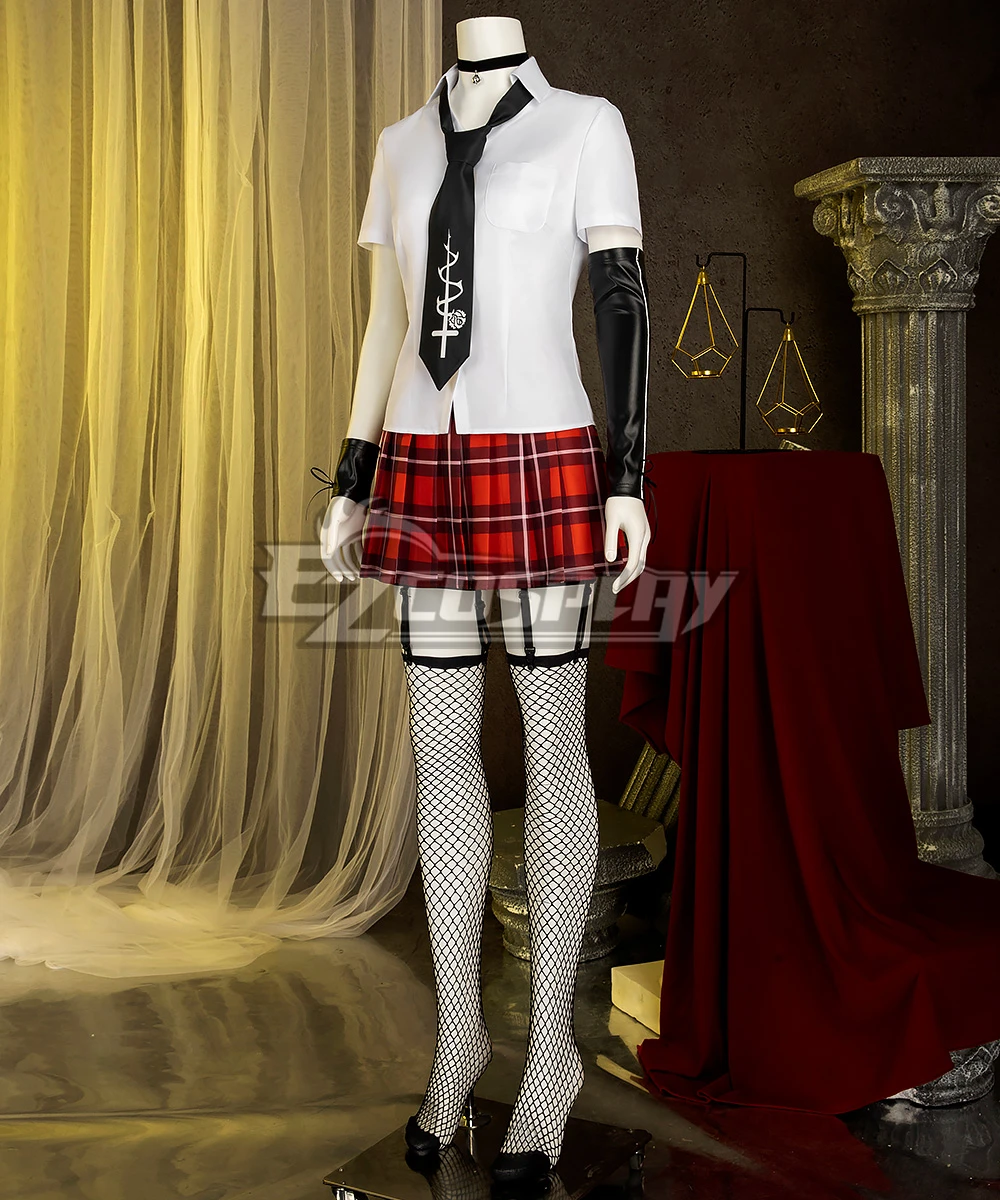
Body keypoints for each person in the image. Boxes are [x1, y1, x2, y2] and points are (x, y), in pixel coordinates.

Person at [316, 16, 650, 1187]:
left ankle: (549, 1051)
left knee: (554, 746)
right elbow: (388, 321)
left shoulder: (584, 126)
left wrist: (627, 478)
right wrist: (353, 475)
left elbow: (620, 303)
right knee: (441, 749)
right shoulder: (402, 143)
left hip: (543, 453)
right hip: (420, 460)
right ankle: (459, 1037)